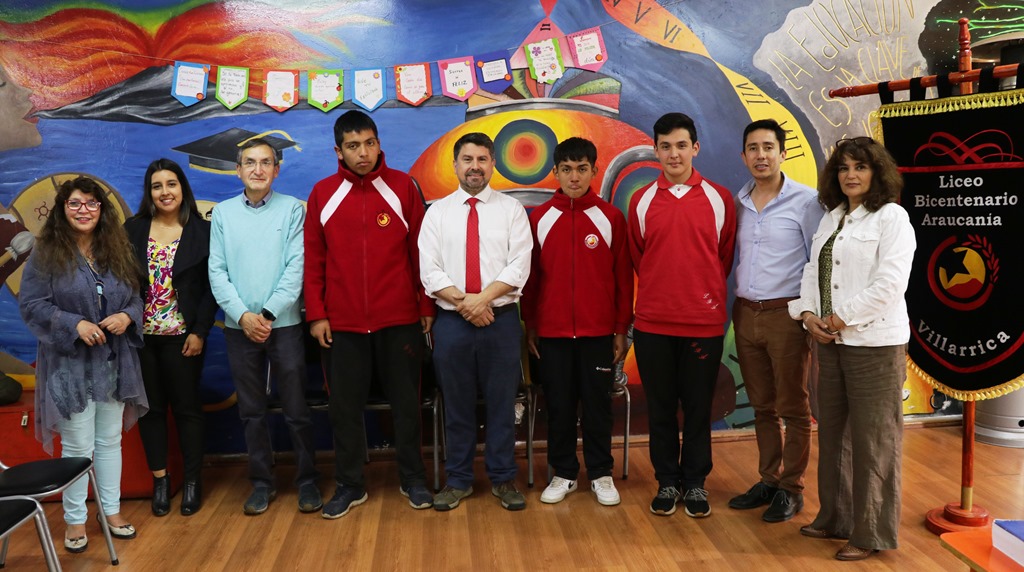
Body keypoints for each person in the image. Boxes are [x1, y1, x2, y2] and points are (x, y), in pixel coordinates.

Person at [789, 136, 915, 561]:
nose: (850, 175)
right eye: (843, 168)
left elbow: (889, 284)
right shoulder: (833, 217)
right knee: (834, 434)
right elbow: (812, 270)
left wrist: (840, 318)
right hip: (830, 342)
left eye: (860, 167)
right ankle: (835, 517)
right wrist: (809, 315)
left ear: (877, 172)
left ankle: (870, 531)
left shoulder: (891, 217)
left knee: (873, 441)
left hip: (874, 345)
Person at [304, 110, 434, 519]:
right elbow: (314, 259)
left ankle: (413, 478)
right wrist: (317, 314)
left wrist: (425, 305)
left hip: (400, 320)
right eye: (353, 146)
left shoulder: (403, 187)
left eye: (369, 143)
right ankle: (350, 485)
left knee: (406, 405)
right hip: (342, 325)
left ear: (379, 144)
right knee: (343, 409)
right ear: (338, 151)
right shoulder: (323, 194)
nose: (363, 153)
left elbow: (421, 253)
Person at [19, 176, 147, 552]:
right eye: (74, 203)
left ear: (102, 210)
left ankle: (111, 512)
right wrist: (74, 324)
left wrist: (127, 317)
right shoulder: (46, 252)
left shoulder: (117, 248)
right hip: (68, 364)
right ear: (62, 209)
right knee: (77, 445)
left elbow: (136, 298)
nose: (84, 210)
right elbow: (32, 304)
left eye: (91, 203)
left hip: (113, 361)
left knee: (109, 440)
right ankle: (75, 520)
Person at [627, 112, 736, 518]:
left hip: (702, 325)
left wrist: (700, 296)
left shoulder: (719, 199)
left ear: (695, 148)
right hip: (653, 324)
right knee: (659, 409)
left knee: (697, 408)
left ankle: (694, 483)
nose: (674, 154)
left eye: (681, 145)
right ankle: (667, 482)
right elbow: (639, 257)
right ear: (655, 150)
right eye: (666, 146)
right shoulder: (641, 201)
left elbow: (723, 257)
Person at [419, 132, 532, 512]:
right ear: (455, 165)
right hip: (452, 323)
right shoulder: (437, 213)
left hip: (500, 320)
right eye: (467, 159)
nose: (475, 167)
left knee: (502, 403)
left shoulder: (511, 211)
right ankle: (459, 480)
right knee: (457, 404)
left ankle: (503, 478)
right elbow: (429, 270)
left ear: (493, 164)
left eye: (482, 159)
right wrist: (465, 303)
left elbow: (519, 265)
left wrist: (481, 300)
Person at [208, 137, 320, 516]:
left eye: (266, 163)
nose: (258, 170)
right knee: (251, 411)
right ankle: (261, 482)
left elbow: (296, 267)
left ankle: (307, 480)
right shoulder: (223, 214)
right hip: (239, 328)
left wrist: (268, 314)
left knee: (296, 408)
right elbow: (217, 271)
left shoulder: (292, 210)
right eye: (250, 163)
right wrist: (243, 316)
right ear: (238, 170)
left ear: (277, 169)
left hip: (283, 325)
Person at [521, 137, 632, 507]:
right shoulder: (539, 218)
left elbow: (622, 279)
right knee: (560, 405)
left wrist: (620, 328)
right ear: (555, 172)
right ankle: (564, 473)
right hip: (551, 334)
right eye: (566, 169)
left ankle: (601, 473)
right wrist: (531, 324)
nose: (574, 176)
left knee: (598, 406)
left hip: (598, 333)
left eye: (582, 169)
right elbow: (530, 279)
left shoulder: (611, 218)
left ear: (594, 171)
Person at [727, 120, 824, 522]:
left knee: (793, 406)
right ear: (744, 155)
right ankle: (769, 479)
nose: (761, 155)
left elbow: (819, 262)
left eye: (768, 147)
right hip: (746, 313)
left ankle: (791, 488)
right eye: (753, 148)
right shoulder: (738, 201)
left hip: (787, 315)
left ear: (782, 153)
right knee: (762, 405)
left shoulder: (807, 201)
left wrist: (811, 313)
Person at [125, 159, 217, 517]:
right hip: (141, 338)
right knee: (150, 412)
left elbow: (210, 288)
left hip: (184, 338)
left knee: (187, 410)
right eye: (157, 186)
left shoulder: (202, 231)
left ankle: (192, 482)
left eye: (171, 184)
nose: (165, 192)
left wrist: (199, 331)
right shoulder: (133, 229)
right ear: (149, 192)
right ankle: (160, 481)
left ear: (183, 188)